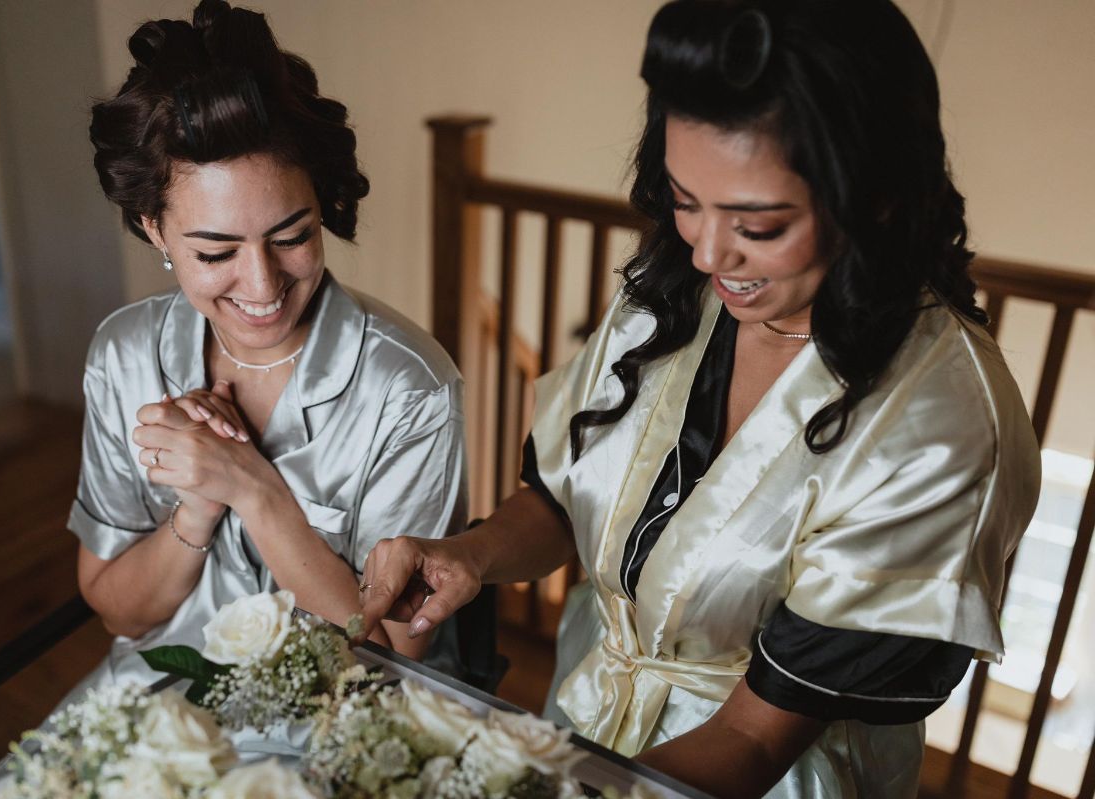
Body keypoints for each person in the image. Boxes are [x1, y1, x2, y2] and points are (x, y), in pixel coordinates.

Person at [358, 1, 1040, 796]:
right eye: (686, 200)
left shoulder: (939, 427)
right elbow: (561, 499)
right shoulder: (674, 292)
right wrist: (468, 555)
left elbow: (754, 737)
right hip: (590, 728)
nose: (709, 251)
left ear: (875, 195)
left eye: (758, 223)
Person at [70, 0, 466, 690]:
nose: (263, 283)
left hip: (342, 716)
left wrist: (253, 488)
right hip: (157, 695)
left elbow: (396, 653)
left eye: (291, 236)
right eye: (216, 250)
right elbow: (115, 609)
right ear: (155, 229)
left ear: (321, 206)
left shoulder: (410, 387)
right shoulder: (124, 353)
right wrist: (197, 504)